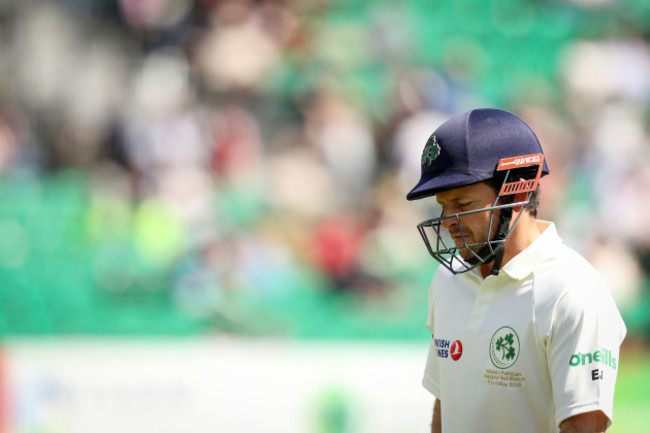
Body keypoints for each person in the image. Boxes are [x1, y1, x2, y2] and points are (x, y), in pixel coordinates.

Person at [406, 108, 626, 433]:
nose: (447, 219)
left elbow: (584, 427)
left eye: (463, 204)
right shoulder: (447, 280)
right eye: (443, 204)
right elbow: (446, 404)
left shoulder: (572, 290)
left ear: (518, 190)